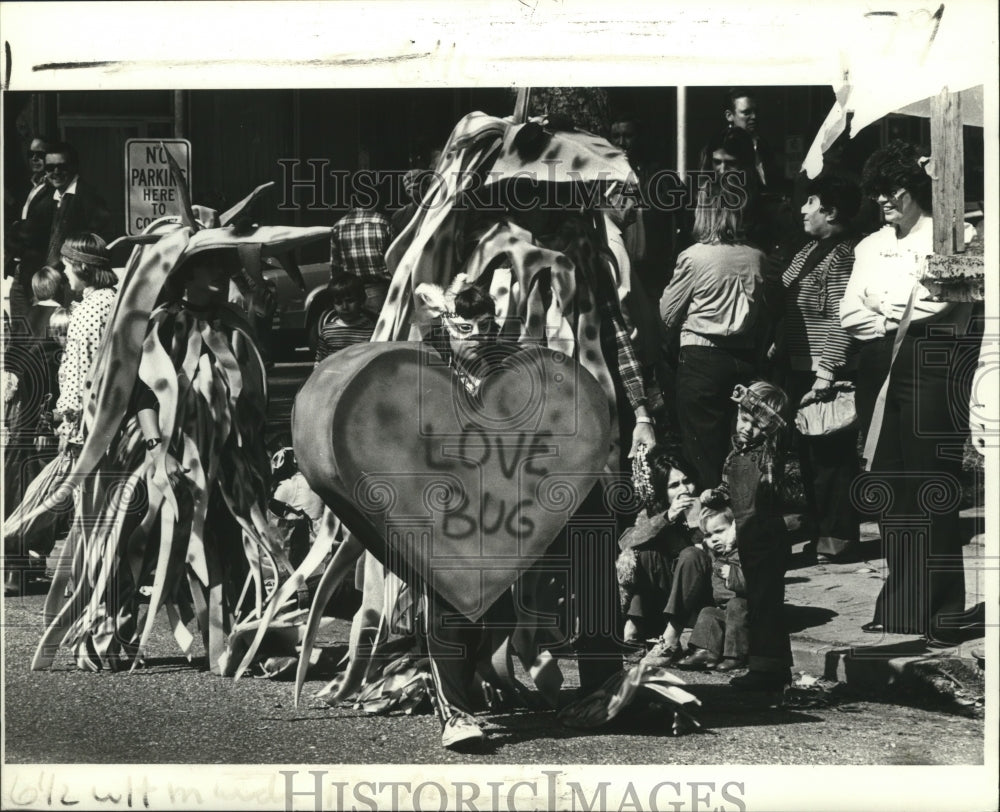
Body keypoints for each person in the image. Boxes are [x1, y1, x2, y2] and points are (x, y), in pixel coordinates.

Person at [840, 140, 978, 644]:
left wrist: (892, 309)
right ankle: (902, 603)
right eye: (878, 192)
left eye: (893, 191)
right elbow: (850, 312)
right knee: (890, 486)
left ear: (915, 191)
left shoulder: (954, 235)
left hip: (932, 361)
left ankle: (942, 610)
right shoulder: (869, 245)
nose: (884, 201)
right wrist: (894, 309)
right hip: (880, 362)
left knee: (931, 486)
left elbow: (944, 303)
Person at [659, 179, 767, 490]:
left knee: (703, 452)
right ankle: (742, 519)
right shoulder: (757, 257)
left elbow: (667, 313)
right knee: (740, 445)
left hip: (701, 358)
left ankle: (712, 522)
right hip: (743, 358)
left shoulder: (695, 256)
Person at [778, 173, 863, 563]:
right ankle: (818, 529)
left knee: (830, 457)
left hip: (823, 369)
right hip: (799, 365)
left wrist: (826, 371)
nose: (802, 209)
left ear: (830, 212)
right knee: (810, 457)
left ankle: (837, 537)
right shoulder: (808, 250)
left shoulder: (844, 255)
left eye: (810, 202)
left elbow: (842, 318)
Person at [715, 381, 800, 691]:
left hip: (768, 537)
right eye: (743, 419)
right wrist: (715, 496)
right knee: (756, 604)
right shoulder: (735, 454)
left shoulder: (770, 451)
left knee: (767, 604)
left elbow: (777, 424)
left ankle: (770, 671)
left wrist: (749, 401)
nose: (748, 428)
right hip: (747, 539)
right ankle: (764, 667)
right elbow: (728, 488)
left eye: (755, 422)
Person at [616, 447, 701, 643]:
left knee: (690, 554)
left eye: (687, 481)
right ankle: (634, 627)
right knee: (647, 553)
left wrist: (698, 527)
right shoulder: (657, 512)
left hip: (697, 593)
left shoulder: (706, 505)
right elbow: (625, 541)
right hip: (663, 598)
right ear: (664, 490)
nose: (684, 490)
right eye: (674, 485)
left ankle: (669, 636)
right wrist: (667, 517)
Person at [53, 234, 117, 448]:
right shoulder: (112, 299)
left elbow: (84, 370)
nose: (64, 272)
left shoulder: (88, 311)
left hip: (87, 426)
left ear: (82, 267)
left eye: (66, 266)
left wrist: (69, 420)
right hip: (109, 416)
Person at [674, 500, 749, 672]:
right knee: (708, 612)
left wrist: (732, 573)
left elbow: (753, 582)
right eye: (708, 535)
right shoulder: (715, 553)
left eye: (720, 531)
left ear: (733, 530)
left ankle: (735, 655)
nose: (714, 539)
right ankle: (705, 652)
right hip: (724, 611)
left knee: (736, 605)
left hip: (747, 608)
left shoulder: (743, 552)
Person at [42, 143, 112, 269]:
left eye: (62, 167)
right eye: (50, 168)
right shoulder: (48, 197)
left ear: (74, 167)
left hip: (76, 277)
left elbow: (98, 242)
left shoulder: (89, 197)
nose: (56, 172)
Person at [329, 192, 394, 315]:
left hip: (349, 292)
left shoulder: (338, 225)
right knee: (378, 330)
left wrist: (336, 292)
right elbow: (394, 260)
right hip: (378, 289)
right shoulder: (384, 222)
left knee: (356, 330)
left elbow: (335, 265)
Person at [314, 272, 377, 363]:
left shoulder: (371, 329)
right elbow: (320, 361)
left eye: (350, 301)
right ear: (333, 304)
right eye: (339, 303)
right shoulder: (328, 331)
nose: (345, 307)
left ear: (361, 299)